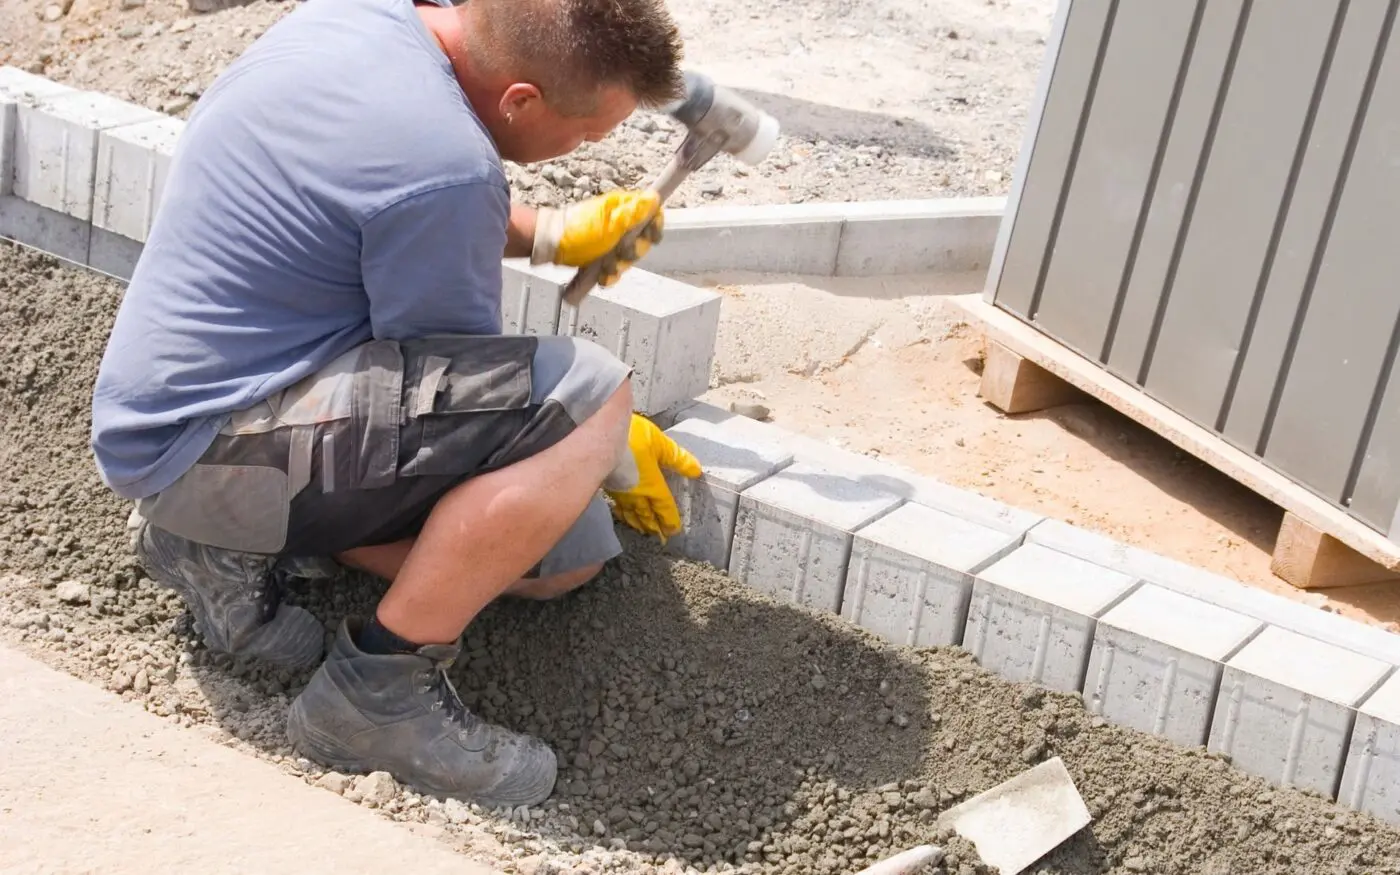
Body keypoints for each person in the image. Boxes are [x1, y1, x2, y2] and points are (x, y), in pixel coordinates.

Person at [89, 0, 706, 808]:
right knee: (588, 407)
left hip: (166, 417)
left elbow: (385, 193)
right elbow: (461, 391)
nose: (592, 147)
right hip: (216, 448)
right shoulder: (448, 168)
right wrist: (611, 436)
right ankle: (376, 696)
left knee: (570, 557)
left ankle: (212, 544)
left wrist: (549, 233)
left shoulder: (355, 23)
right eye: (589, 134)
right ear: (520, 99)